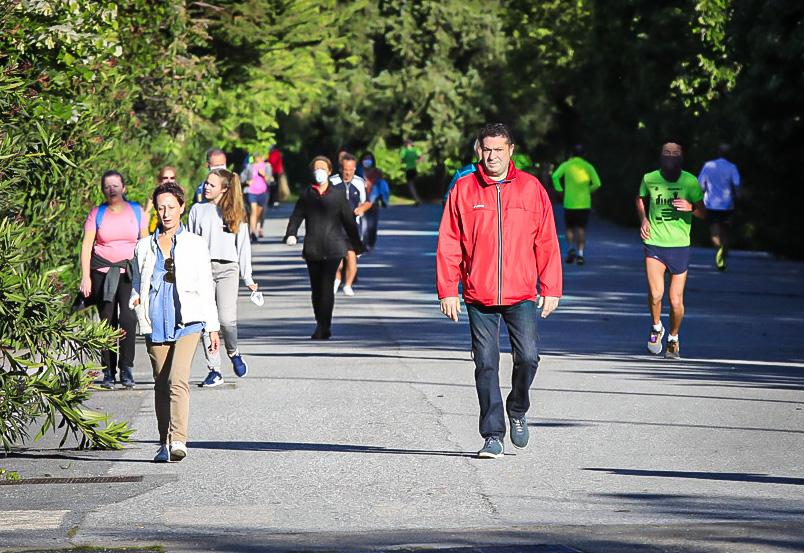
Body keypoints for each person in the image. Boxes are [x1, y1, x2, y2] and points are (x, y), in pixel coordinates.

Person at [437, 123, 562, 459]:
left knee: (528, 358)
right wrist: (448, 289)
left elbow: (546, 240)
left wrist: (551, 287)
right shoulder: (464, 189)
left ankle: (517, 408)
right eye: (486, 149)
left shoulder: (531, 189)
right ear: (480, 150)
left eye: (498, 150)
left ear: (511, 151)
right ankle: (493, 434)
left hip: (521, 292)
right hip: (479, 294)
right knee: (486, 363)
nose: (491, 156)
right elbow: (449, 243)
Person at [130, 181, 220, 463]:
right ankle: (164, 441)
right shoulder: (144, 246)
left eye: (171, 207)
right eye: (161, 208)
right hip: (155, 321)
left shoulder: (194, 244)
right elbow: (136, 283)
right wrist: (136, 302)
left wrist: (212, 325)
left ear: (182, 207)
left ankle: (179, 438)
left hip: (188, 320)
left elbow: (207, 285)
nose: (166, 212)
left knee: (177, 379)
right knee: (161, 384)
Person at [188, 168, 258, 388]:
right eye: (206, 183)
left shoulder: (235, 211)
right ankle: (214, 369)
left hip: (228, 269)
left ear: (224, 189)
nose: (206, 187)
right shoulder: (197, 210)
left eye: (212, 184)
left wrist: (248, 278)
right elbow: (189, 242)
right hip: (203, 269)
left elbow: (243, 246)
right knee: (208, 322)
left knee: (227, 320)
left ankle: (233, 351)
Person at [636, 142, 705, 360]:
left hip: (680, 245)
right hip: (655, 241)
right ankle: (657, 327)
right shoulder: (649, 178)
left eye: (675, 153)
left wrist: (691, 208)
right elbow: (640, 198)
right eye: (667, 153)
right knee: (656, 294)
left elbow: (704, 212)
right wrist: (644, 218)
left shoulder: (690, 181)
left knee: (676, 301)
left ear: (682, 157)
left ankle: (673, 338)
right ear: (660, 156)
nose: (671, 156)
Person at [80, 171, 149, 389]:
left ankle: (126, 369)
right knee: (106, 320)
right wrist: (85, 277)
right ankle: (108, 370)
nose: (112, 189)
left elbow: (145, 244)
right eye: (107, 186)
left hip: (129, 272)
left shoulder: (136, 211)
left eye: (115, 185)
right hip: (102, 272)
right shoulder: (96, 213)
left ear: (124, 188)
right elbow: (86, 246)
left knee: (128, 319)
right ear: (103, 189)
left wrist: (148, 276)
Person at [283, 156, 363, 340]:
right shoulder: (307, 195)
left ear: (329, 171)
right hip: (313, 248)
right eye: (316, 169)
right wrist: (291, 233)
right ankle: (320, 321)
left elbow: (349, 222)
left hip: (334, 248)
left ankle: (323, 326)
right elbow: (296, 216)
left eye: (322, 168)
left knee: (326, 287)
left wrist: (356, 244)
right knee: (316, 289)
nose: (319, 172)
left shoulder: (337, 195)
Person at [551, 144, 602, 266]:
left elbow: (555, 176)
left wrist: (559, 189)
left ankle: (570, 249)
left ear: (572, 154)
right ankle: (580, 254)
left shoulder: (567, 165)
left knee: (569, 228)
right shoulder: (588, 166)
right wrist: (587, 190)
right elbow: (597, 183)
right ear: (584, 154)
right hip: (584, 203)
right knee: (581, 229)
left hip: (569, 202)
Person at [331, 153, 371, 295]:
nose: (347, 173)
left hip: (353, 228)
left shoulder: (360, 182)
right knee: (336, 259)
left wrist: (361, 209)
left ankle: (347, 285)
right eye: (345, 169)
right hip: (335, 227)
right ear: (340, 169)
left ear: (355, 168)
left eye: (351, 169)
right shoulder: (332, 182)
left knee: (351, 257)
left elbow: (367, 202)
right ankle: (335, 281)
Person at [698, 144, 741, 271]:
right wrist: (738, 197)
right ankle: (723, 252)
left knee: (714, 232)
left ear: (718, 152)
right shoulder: (732, 167)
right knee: (726, 232)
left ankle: (719, 250)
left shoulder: (708, 166)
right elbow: (737, 185)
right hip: (727, 205)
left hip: (711, 204)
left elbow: (701, 185)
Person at [359, 152, 390, 251]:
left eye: (369, 159)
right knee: (363, 225)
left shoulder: (377, 172)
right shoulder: (358, 171)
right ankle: (363, 243)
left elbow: (382, 186)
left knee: (372, 225)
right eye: (365, 159)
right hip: (361, 201)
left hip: (373, 201)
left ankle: (370, 243)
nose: (367, 161)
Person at [443, 139, 481, 205]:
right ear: (476, 151)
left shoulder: (502, 174)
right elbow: (448, 199)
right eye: (484, 149)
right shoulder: (464, 173)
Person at [145, 167, 178, 234]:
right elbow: (146, 215)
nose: (169, 180)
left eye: (172, 178)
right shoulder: (154, 196)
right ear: (160, 180)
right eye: (165, 178)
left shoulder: (178, 197)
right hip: (154, 233)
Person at [247, 153, 270, 242]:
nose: (259, 158)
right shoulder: (250, 166)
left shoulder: (267, 166)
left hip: (262, 192)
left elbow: (270, 180)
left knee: (258, 213)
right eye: (257, 157)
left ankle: (256, 227)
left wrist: (264, 175)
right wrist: (247, 181)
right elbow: (244, 177)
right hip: (252, 192)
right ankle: (253, 232)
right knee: (253, 211)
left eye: (260, 156)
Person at [400, 138, 424, 205]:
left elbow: (401, 160)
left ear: (406, 144)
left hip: (408, 169)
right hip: (415, 169)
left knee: (410, 185)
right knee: (415, 184)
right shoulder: (416, 150)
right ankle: (419, 199)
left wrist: (405, 161)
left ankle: (417, 199)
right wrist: (417, 161)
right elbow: (422, 157)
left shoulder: (404, 151)